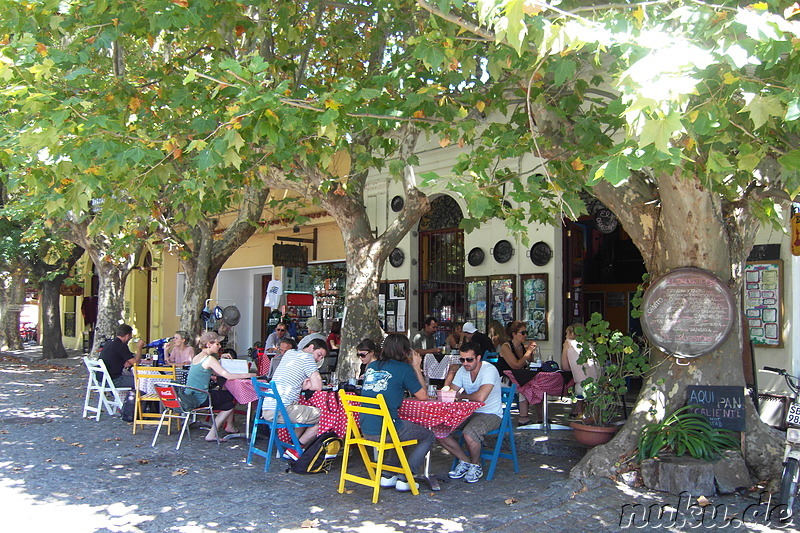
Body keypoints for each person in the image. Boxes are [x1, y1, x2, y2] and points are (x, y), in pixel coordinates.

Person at [361, 334, 435, 492]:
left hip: (366, 428)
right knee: (428, 435)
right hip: (386, 429)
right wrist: (416, 367)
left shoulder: (372, 366)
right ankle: (407, 476)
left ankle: (388, 475)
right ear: (405, 351)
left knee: (399, 433)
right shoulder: (404, 369)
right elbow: (423, 396)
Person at [440, 341, 503, 483]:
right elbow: (450, 392)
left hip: (490, 413)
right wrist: (451, 373)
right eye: (462, 359)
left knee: (469, 432)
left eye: (469, 359)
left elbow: (480, 398)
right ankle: (465, 461)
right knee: (439, 428)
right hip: (469, 411)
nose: (465, 363)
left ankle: (476, 465)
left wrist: (460, 397)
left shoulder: (489, 370)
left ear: (478, 358)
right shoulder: (463, 370)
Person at [182, 331, 256, 441]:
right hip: (201, 397)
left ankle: (226, 427)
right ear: (208, 344)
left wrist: (221, 359)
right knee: (230, 398)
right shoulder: (210, 359)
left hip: (190, 396)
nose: (220, 346)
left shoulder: (198, 357)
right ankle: (219, 430)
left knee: (228, 402)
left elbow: (207, 369)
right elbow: (228, 375)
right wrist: (249, 374)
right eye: (217, 344)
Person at [263, 338, 329, 459]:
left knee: (305, 413)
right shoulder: (307, 358)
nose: (319, 359)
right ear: (311, 347)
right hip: (281, 410)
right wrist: (308, 384)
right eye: (319, 355)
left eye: (321, 358)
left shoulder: (290, 353)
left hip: (267, 408)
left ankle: (292, 447)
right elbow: (318, 386)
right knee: (325, 417)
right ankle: (297, 447)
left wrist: (305, 385)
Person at [498, 320, 538, 425]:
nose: (525, 335)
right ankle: (523, 418)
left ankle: (541, 417)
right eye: (522, 333)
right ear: (514, 334)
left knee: (538, 385)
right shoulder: (506, 347)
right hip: (506, 379)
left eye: (526, 333)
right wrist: (528, 352)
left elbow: (530, 363)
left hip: (520, 377)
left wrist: (532, 353)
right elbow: (515, 365)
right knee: (524, 386)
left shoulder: (522, 347)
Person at [560, 323, 599, 417]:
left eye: (566, 333)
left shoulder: (568, 343)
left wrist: (573, 369)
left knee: (579, 385)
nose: (565, 336)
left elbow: (564, 367)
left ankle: (578, 412)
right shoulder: (589, 344)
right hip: (597, 381)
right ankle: (581, 411)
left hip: (581, 384)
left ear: (571, 334)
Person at [98, 324, 145, 389]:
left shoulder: (109, 343)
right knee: (142, 381)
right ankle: (142, 398)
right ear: (127, 335)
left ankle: (127, 398)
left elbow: (115, 357)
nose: (129, 340)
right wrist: (139, 348)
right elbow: (136, 363)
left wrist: (126, 361)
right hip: (112, 381)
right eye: (130, 338)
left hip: (101, 379)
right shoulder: (121, 346)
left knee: (130, 375)